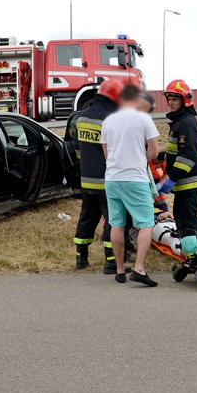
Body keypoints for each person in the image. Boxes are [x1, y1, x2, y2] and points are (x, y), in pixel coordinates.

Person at [100, 84, 161, 287]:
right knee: (146, 223)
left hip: (112, 178)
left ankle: (119, 270)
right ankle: (139, 269)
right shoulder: (144, 119)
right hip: (134, 177)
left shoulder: (108, 121)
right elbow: (154, 151)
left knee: (116, 224)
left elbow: (107, 155)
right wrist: (139, 158)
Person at [73, 78, 124, 274]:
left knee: (87, 217)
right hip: (107, 180)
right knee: (113, 219)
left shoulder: (83, 117)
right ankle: (111, 262)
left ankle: (81, 258)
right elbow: (117, 151)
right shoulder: (111, 120)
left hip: (87, 179)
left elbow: (78, 149)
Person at [159, 79, 197, 237]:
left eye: (175, 99)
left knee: (187, 220)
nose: (171, 103)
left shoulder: (187, 123)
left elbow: (187, 156)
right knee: (183, 217)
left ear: (184, 100)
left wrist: (172, 177)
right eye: (169, 99)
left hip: (190, 182)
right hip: (185, 182)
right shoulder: (180, 122)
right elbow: (175, 152)